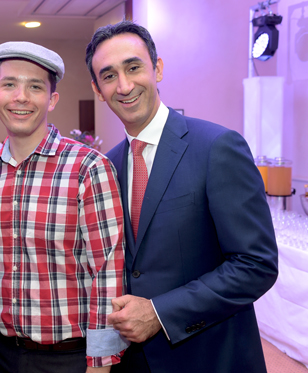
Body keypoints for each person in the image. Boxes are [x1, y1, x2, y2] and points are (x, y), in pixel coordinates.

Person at [85, 21, 278, 372]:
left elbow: (256, 264)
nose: (124, 85)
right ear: (98, 89)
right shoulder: (105, 166)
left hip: (209, 357)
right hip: (135, 363)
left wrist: (159, 313)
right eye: (109, 75)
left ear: (157, 69)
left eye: (134, 67)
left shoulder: (217, 147)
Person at [0, 41, 128, 373]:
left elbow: (108, 271)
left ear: (52, 99)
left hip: (67, 359)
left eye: (35, 87)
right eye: (9, 85)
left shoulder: (88, 168)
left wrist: (100, 363)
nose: (21, 97)